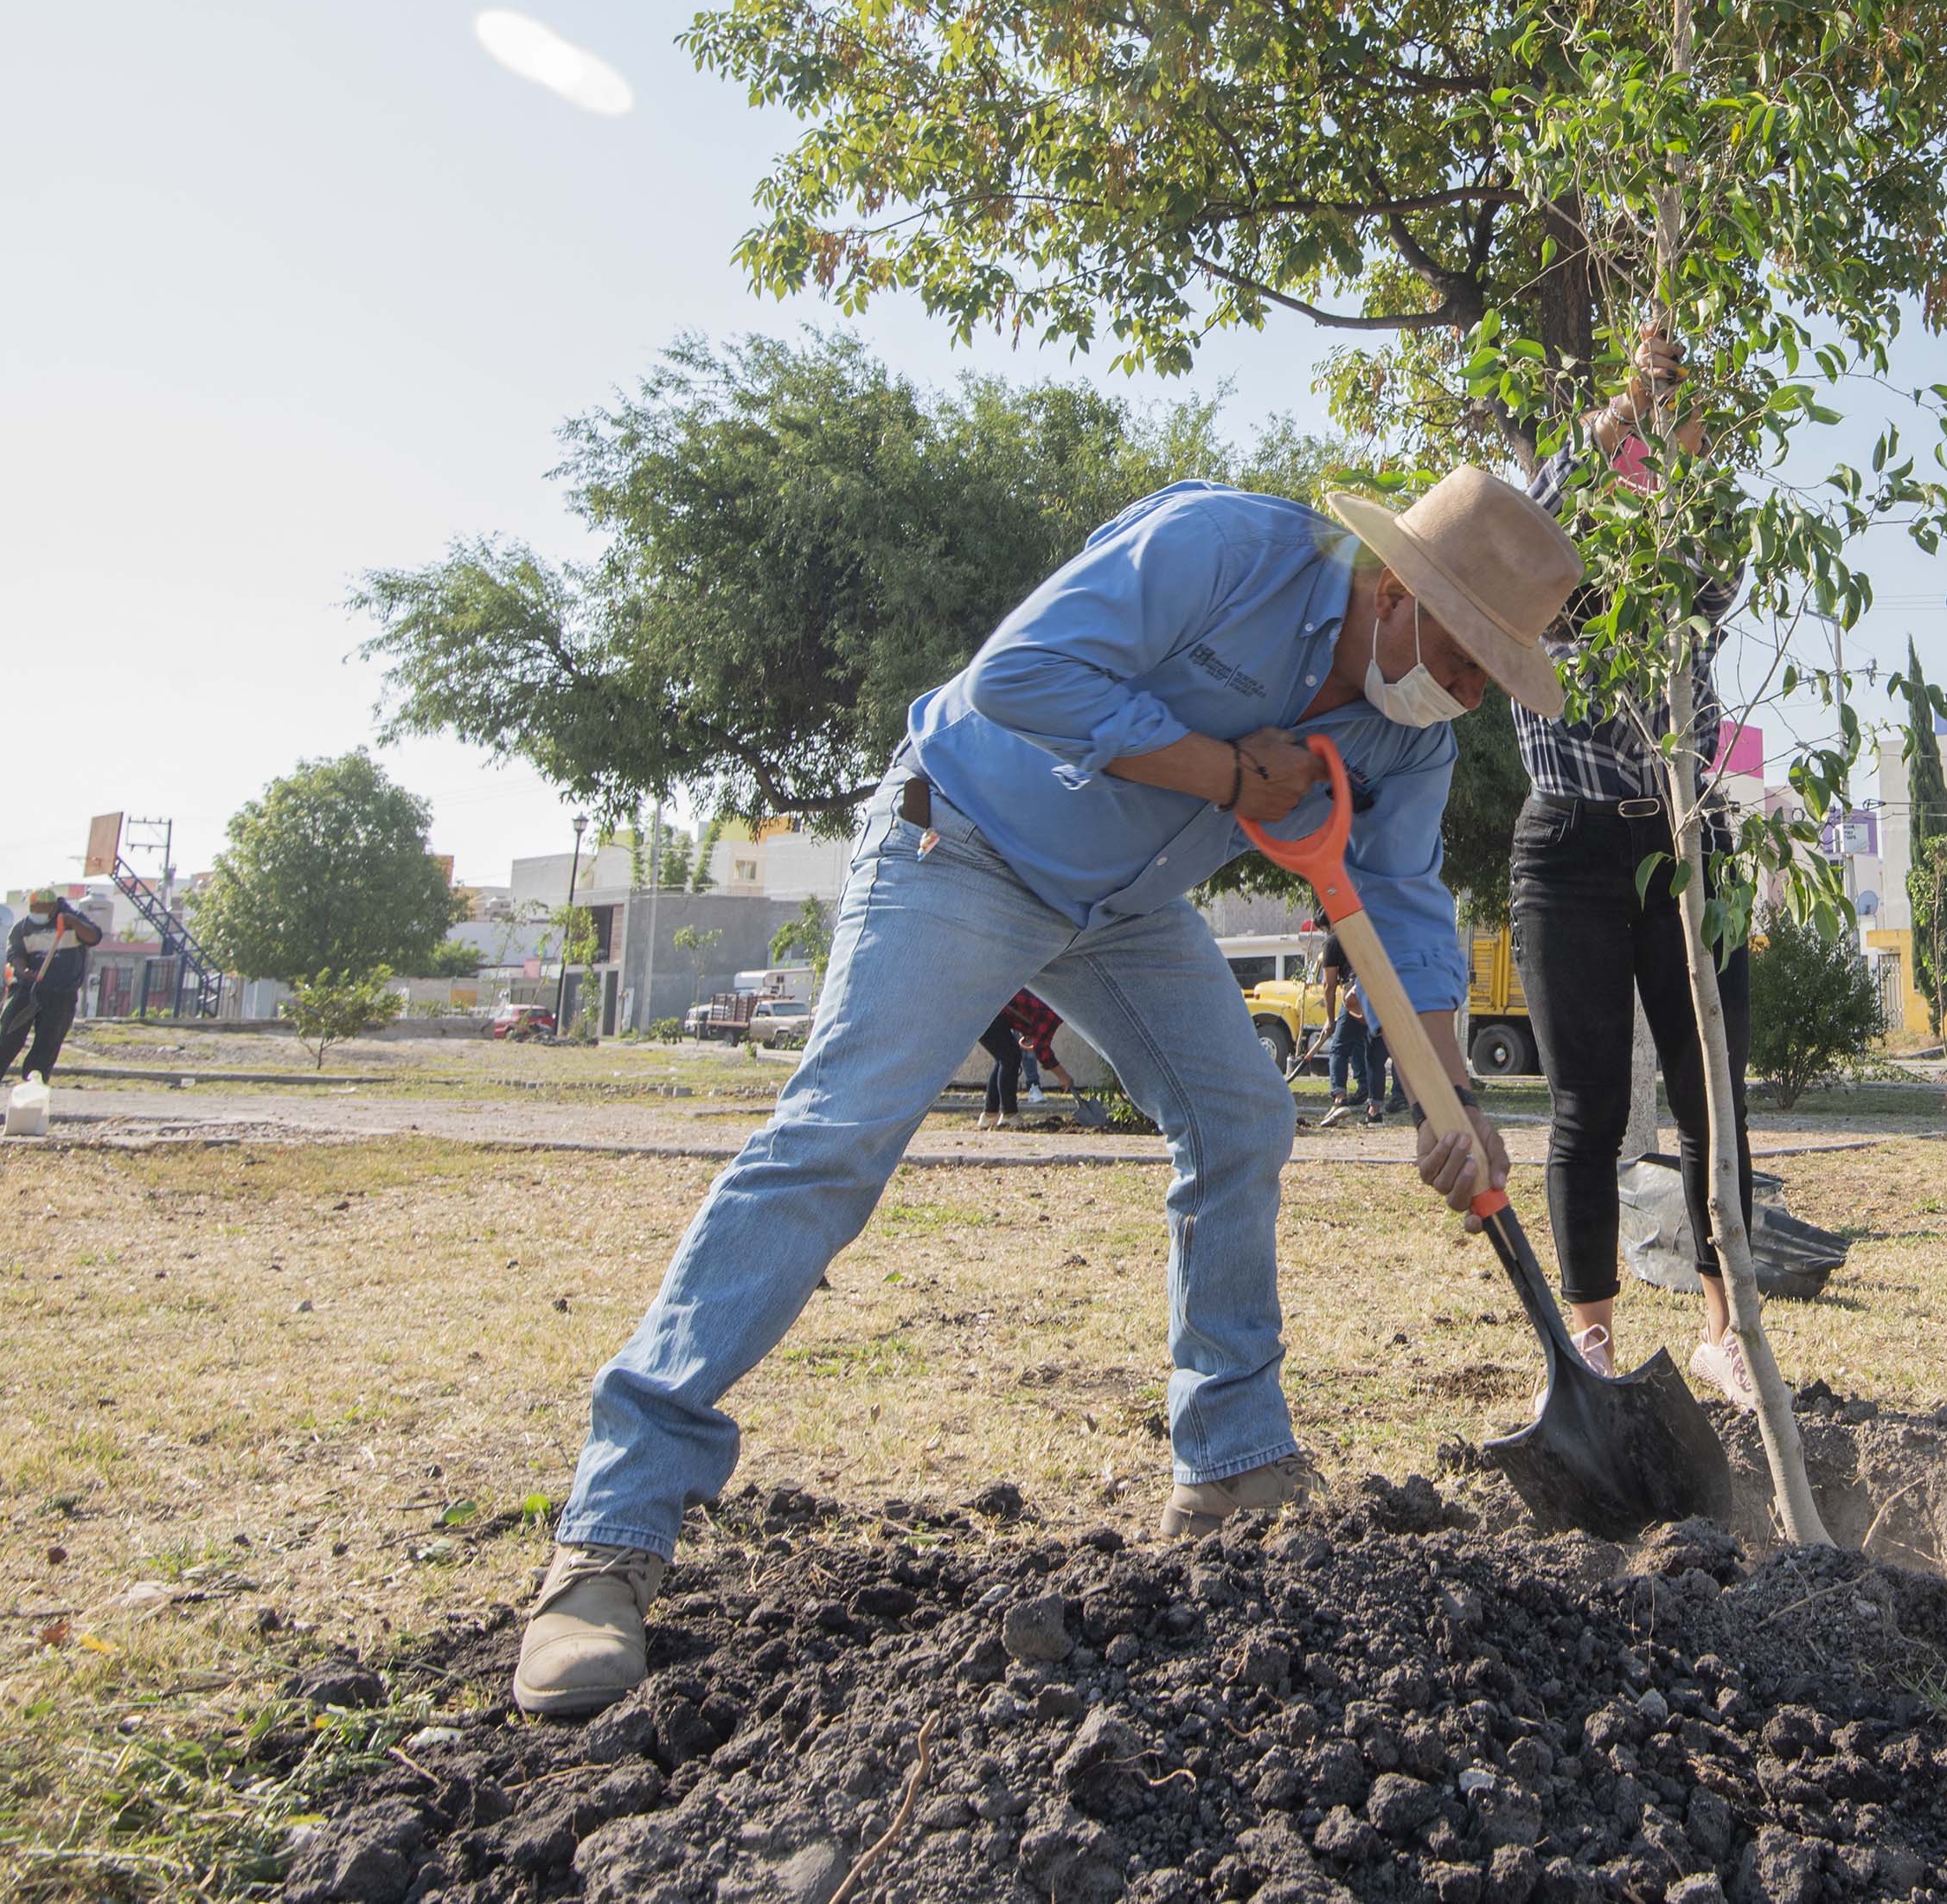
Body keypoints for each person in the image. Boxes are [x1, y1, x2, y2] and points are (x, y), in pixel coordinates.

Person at [512, 467, 1583, 1715]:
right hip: (960, 835)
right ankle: (610, 1536)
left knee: (1243, 1113)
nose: (1456, 696)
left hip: (1119, 906)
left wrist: (1445, 1094)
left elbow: (1396, 901)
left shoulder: (1409, 737)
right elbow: (1016, 679)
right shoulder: (1221, 548)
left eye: (1483, 684)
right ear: (1397, 587)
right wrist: (1228, 776)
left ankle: (1230, 1464)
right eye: (1459, 660)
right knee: (833, 1141)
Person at [1508, 327, 1767, 1410]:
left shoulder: (1683, 571)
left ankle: (1726, 1334)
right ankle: (1593, 1338)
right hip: (1566, 846)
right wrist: (1616, 416)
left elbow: (1725, 561)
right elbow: (1532, 516)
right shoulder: (1538, 577)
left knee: (1718, 1099)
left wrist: (1690, 451)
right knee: (1589, 1106)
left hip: (1687, 839)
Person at [0, 889, 105, 1086]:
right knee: (10, 1034)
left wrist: (72, 923)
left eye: (43, 908)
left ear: (54, 907)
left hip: (61, 991)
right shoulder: (22, 928)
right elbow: (16, 955)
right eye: (35, 908)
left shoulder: (72, 921)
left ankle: (35, 1080)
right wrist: (23, 971)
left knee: (49, 1039)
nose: (38, 912)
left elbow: (94, 937)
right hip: (27, 989)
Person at [1312, 928, 1400, 1126]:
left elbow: (1329, 984)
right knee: (1375, 1057)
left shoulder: (1333, 942)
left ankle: (1339, 1099)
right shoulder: (1374, 933)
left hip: (1356, 995)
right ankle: (1374, 1111)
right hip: (1380, 996)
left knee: (1339, 1049)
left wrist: (1330, 1019)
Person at [974, 986, 1059, 1125]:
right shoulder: (1051, 1013)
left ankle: (989, 1116)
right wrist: (1063, 1076)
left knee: (1005, 1059)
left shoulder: (1045, 1003)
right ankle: (1009, 1114)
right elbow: (1042, 1050)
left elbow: (1022, 1015)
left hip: (986, 1010)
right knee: (1009, 1059)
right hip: (987, 1012)